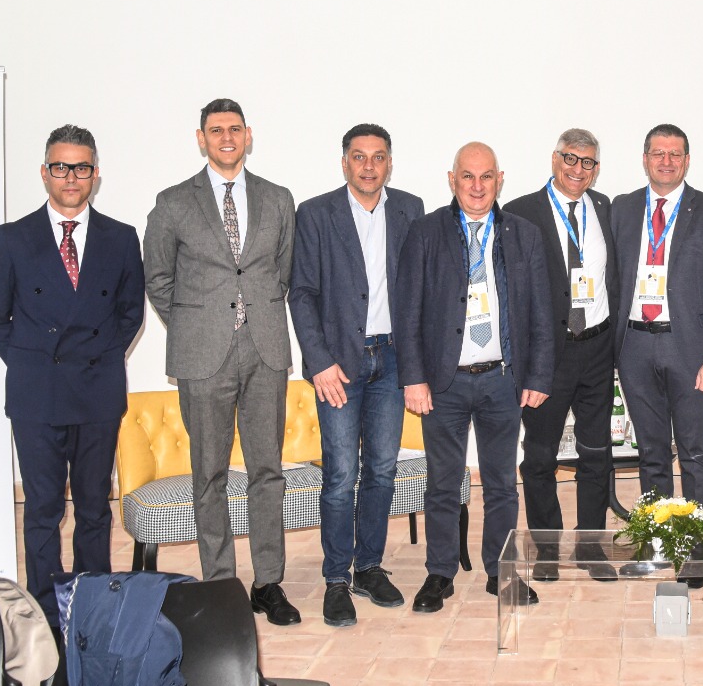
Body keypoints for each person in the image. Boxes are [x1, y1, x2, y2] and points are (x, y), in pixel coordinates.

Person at [143, 98, 300, 625]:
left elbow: (282, 272)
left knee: (267, 471)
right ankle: (220, 586)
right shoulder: (173, 203)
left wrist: (252, 316)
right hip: (202, 355)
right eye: (216, 130)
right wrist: (196, 324)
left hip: (265, 350)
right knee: (208, 474)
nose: (226, 138)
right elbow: (158, 279)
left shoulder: (277, 198)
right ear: (201, 138)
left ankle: (268, 583)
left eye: (235, 129)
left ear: (248, 135)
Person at [0, 124, 144, 627]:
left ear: (95, 174)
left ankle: (93, 609)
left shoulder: (121, 237)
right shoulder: (13, 238)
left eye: (80, 167)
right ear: (44, 173)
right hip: (37, 394)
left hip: (97, 392)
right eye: (60, 167)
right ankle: (46, 614)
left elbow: (130, 315)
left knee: (95, 507)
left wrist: (94, 358)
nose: (70, 177)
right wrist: (33, 361)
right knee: (43, 509)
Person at [397, 142, 555, 613]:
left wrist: (538, 375)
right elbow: (407, 312)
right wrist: (413, 378)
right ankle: (439, 574)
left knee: (502, 483)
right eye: (468, 176)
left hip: (502, 381)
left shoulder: (524, 235)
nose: (477, 186)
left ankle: (500, 572)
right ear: (452, 180)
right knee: (443, 483)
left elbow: (541, 312)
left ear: (499, 180)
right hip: (443, 383)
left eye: (487, 176)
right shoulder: (425, 233)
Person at [289, 124, 424, 627]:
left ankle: (368, 567)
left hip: (392, 360)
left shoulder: (410, 209)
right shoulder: (316, 213)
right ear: (344, 162)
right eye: (360, 157)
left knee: (383, 470)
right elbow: (301, 293)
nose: (369, 166)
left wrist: (418, 365)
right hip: (339, 366)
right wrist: (319, 362)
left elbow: (420, 289)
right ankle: (335, 579)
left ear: (390, 163)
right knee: (342, 474)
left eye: (378, 157)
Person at [611, 124, 703, 587]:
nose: (666, 161)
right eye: (658, 153)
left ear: (687, 161)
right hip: (634, 345)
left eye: (675, 154)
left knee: (694, 451)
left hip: (690, 350)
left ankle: (695, 546)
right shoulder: (623, 209)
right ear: (645, 159)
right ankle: (657, 542)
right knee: (650, 452)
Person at [502, 129, 621, 582]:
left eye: (587, 162)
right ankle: (548, 548)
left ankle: (591, 546)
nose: (578, 169)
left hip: (598, 347)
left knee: (597, 453)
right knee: (540, 456)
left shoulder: (605, 208)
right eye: (570, 159)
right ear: (555, 159)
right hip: (547, 353)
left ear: (596, 169)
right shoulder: (521, 212)